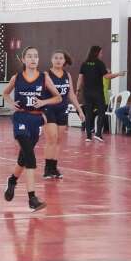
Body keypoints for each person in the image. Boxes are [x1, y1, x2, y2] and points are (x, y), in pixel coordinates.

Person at [2, 46, 62, 211]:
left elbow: (58, 97)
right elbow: (5, 93)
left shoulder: (44, 77)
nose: (33, 59)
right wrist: (10, 102)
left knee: (23, 158)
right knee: (30, 156)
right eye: (29, 56)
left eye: (36, 56)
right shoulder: (17, 77)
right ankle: (32, 198)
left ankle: (12, 180)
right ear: (24, 60)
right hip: (21, 118)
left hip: (36, 120)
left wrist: (43, 102)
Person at [43, 50, 84, 179]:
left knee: (58, 140)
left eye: (61, 58)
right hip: (49, 109)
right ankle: (47, 168)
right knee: (51, 138)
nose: (58, 60)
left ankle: (54, 168)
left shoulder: (67, 75)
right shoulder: (46, 74)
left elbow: (71, 93)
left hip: (62, 109)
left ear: (64, 61)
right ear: (51, 60)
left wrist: (79, 110)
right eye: (56, 58)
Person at [76, 45, 125, 142]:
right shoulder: (99, 63)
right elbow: (107, 76)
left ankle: (88, 136)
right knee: (102, 112)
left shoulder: (84, 64)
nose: (102, 55)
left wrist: (77, 90)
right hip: (98, 93)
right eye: (101, 53)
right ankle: (98, 134)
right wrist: (118, 74)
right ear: (96, 53)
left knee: (89, 113)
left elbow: (80, 78)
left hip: (87, 92)